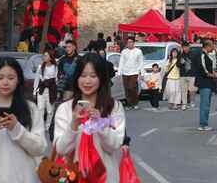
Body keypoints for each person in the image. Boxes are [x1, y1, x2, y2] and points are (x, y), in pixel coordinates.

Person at [54, 53, 125, 182]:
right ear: (77, 78)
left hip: (106, 178)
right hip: (73, 177)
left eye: (93, 76)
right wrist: (74, 124)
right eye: (83, 76)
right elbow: (61, 149)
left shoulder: (114, 107)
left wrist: (100, 124)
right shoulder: (65, 109)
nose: (87, 81)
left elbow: (114, 145)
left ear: (101, 78)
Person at [195, 40, 217, 131]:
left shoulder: (206, 55)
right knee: (205, 104)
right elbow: (203, 68)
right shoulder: (202, 55)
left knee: (206, 104)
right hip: (204, 82)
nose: (213, 48)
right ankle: (203, 124)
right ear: (207, 46)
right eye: (212, 46)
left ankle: (204, 123)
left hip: (208, 82)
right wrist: (212, 75)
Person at [33, 51, 58, 130]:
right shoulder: (40, 67)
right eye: (44, 56)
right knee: (40, 109)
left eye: (46, 56)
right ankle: (40, 126)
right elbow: (37, 79)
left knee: (50, 111)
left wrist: (56, 90)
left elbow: (56, 80)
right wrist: (34, 90)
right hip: (41, 90)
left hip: (51, 91)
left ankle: (47, 127)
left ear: (50, 57)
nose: (44, 57)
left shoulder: (55, 67)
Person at [118, 37, 144, 110]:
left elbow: (141, 62)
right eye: (128, 42)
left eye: (131, 42)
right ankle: (129, 104)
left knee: (132, 87)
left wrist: (142, 72)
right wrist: (119, 72)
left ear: (133, 43)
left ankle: (135, 102)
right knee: (126, 89)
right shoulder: (124, 51)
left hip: (134, 72)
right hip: (125, 72)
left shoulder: (138, 51)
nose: (129, 44)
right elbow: (121, 62)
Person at [180, 42, 197, 109]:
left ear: (189, 47)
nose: (185, 48)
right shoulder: (180, 54)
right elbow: (177, 65)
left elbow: (197, 64)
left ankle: (192, 102)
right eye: (184, 47)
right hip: (183, 75)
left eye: (186, 47)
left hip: (192, 74)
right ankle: (184, 103)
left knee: (192, 90)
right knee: (183, 90)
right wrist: (180, 63)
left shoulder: (194, 54)